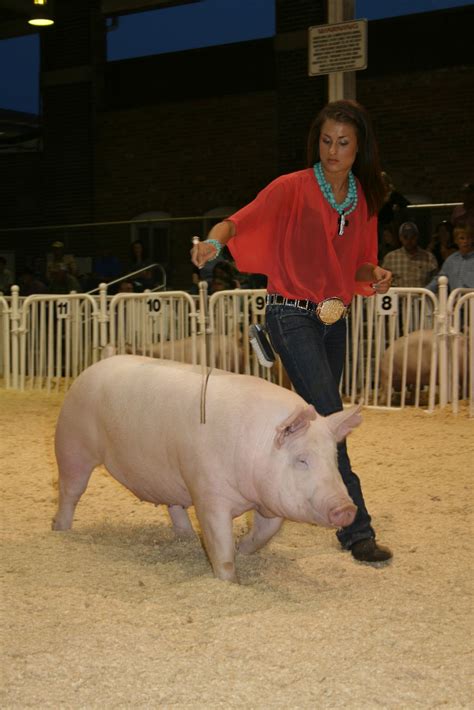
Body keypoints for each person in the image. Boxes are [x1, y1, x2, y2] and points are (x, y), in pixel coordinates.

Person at [192, 99, 393, 565]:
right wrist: (213, 243)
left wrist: (376, 272)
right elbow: (238, 220)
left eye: (343, 143)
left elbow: (359, 262)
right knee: (329, 411)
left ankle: (277, 486)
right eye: (326, 141)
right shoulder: (292, 187)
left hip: (334, 318)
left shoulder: (363, 198)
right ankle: (357, 529)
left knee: (322, 417)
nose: (332, 151)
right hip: (289, 313)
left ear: (359, 147)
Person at [382, 221, 438, 287]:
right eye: (405, 237)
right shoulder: (390, 258)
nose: (409, 240)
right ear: (400, 237)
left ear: (417, 237)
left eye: (412, 237)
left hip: (421, 296)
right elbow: (383, 281)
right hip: (398, 296)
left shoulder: (429, 258)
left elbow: (436, 282)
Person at [426, 226, 474, 292]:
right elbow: (439, 279)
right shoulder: (451, 260)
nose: (465, 241)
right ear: (456, 241)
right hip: (455, 300)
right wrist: (424, 291)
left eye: (468, 238)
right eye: (462, 238)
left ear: (472, 240)